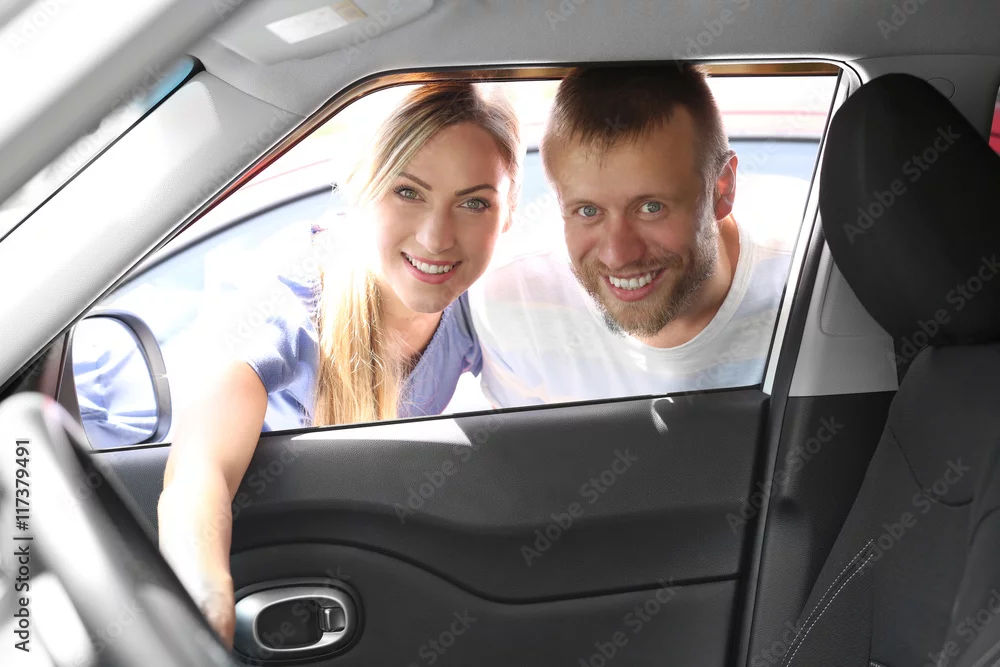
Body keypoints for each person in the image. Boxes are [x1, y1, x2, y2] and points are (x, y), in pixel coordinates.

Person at [156, 81, 523, 647]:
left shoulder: (487, 308)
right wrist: (206, 606)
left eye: (474, 202)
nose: (436, 237)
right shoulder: (290, 298)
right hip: (268, 584)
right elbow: (197, 473)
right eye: (408, 191)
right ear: (359, 189)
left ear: (509, 214)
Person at [468, 64, 793, 406]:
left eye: (651, 207)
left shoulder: (802, 298)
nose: (618, 256)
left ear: (722, 189)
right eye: (588, 211)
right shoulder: (515, 305)